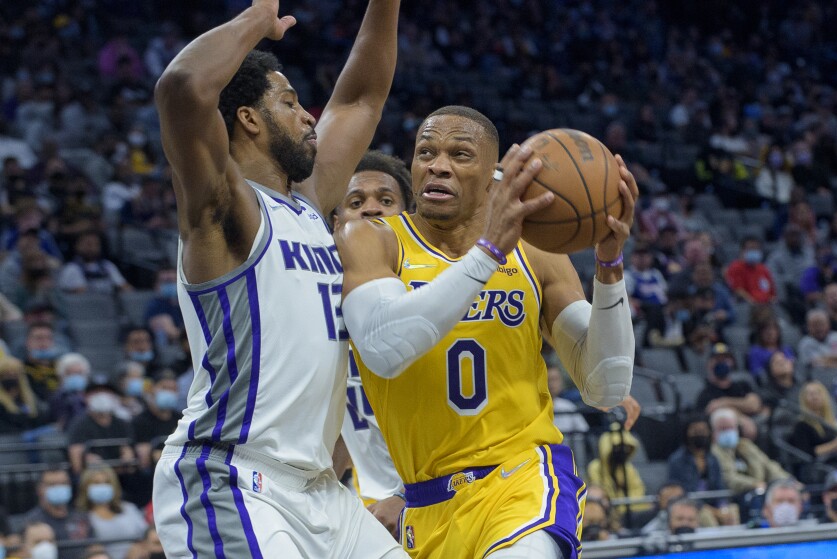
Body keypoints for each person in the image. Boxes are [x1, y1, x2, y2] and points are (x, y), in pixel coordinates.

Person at [150, 1, 404, 557]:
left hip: (320, 489)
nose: (311, 116)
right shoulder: (226, 210)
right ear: (248, 118)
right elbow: (181, 89)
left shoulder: (311, 205)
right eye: (290, 103)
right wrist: (254, 20)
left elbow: (361, 98)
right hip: (233, 478)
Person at [336, 105, 637, 557]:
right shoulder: (372, 240)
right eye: (426, 152)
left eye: (460, 154)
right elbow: (383, 346)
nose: (438, 165)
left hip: (522, 479)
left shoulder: (535, 254)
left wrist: (609, 267)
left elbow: (606, 385)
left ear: (494, 174)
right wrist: (488, 251)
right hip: (425, 503)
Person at [332, 151, 412, 538]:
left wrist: (406, 494)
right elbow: (350, 421)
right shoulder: (327, 306)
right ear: (336, 223)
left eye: (386, 200)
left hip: (443, 495)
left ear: (409, 217)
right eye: (355, 202)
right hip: (372, 510)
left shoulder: (433, 291)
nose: (370, 210)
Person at [709, 407, 792, 495]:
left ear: (737, 429)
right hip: (736, 496)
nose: (728, 432)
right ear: (713, 432)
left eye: (730, 428)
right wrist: (754, 484)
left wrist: (788, 481)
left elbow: (769, 466)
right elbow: (728, 478)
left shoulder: (746, 445)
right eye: (723, 429)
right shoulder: (713, 452)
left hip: (760, 491)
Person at [76, 465, 147, 559]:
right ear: (86, 487)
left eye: (106, 482)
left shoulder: (129, 509)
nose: (102, 486)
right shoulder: (82, 517)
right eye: (96, 483)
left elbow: (146, 536)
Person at [695, 343, 762, 440]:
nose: (721, 362)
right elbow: (709, 411)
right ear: (709, 364)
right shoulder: (705, 394)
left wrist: (724, 402)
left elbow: (754, 405)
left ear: (732, 362)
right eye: (717, 359)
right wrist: (741, 409)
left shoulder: (743, 385)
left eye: (725, 359)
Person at [22, 467, 91, 559]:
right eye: (52, 485)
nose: (59, 488)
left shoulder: (80, 516)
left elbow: (94, 547)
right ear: (39, 489)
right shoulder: (31, 522)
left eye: (63, 483)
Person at [790, 381, 837, 466]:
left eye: (817, 393)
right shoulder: (801, 425)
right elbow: (806, 453)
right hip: (818, 467)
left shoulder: (832, 423)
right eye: (810, 394)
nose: (814, 396)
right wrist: (835, 444)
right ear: (804, 399)